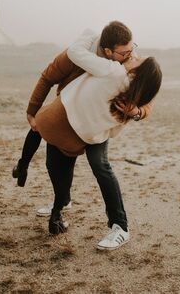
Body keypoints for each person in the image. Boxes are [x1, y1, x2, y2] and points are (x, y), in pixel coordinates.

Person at [12, 21, 156, 249]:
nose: (131, 55)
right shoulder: (76, 57)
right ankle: (62, 201)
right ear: (108, 51)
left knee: (100, 165)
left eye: (132, 49)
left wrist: (137, 112)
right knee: (55, 164)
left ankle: (120, 226)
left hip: (97, 125)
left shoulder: (126, 61)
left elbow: (146, 95)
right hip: (68, 114)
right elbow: (47, 78)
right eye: (125, 52)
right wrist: (32, 112)